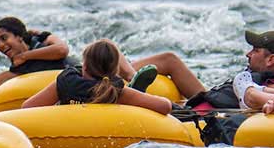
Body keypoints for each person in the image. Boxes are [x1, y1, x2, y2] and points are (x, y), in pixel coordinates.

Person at [22, 39, 172, 114]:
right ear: (115, 71)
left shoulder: (66, 83)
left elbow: (27, 109)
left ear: (84, 66)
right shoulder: (116, 91)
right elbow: (165, 106)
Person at [185, 30, 274, 112]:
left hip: (197, 123)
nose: (248, 54)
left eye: (256, 50)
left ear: (270, 60)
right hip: (191, 112)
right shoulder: (253, 79)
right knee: (170, 59)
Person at [0, 17, 72, 93]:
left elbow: (62, 50)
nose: (0, 45)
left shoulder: (44, 39)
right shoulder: (18, 71)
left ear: (19, 36)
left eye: (4, 38)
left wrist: (24, 56)